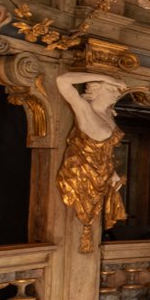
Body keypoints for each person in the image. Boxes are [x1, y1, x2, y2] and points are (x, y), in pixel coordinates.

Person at [55, 70, 131, 251]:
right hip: (82, 173)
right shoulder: (84, 108)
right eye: (111, 89)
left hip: (102, 174)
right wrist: (106, 76)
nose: (116, 93)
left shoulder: (108, 115)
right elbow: (62, 80)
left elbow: (106, 150)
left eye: (116, 90)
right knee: (81, 209)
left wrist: (112, 172)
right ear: (97, 88)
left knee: (93, 213)